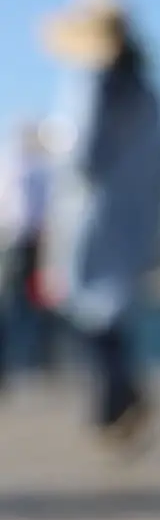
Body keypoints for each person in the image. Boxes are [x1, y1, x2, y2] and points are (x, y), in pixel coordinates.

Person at [36, 0, 160, 446]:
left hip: (92, 214)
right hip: (134, 212)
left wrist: (46, 141)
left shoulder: (90, 79)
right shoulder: (148, 89)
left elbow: (81, 153)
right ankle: (119, 397)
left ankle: (115, 401)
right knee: (112, 307)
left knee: (91, 308)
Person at [0, 122, 57, 387]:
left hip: (33, 243)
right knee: (15, 305)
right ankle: (34, 364)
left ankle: (44, 362)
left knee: (41, 305)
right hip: (21, 243)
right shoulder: (15, 165)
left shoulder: (34, 167)